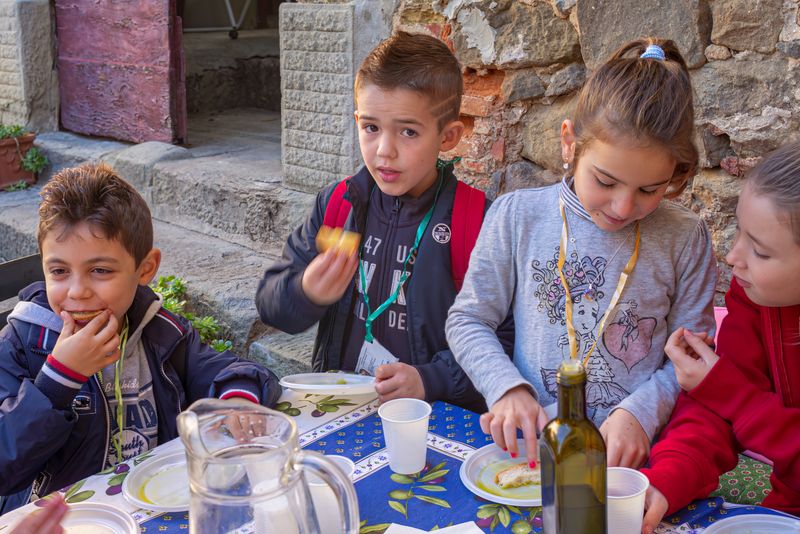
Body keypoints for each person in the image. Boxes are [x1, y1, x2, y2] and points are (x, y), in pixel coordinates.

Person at [446, 38, 717, 469]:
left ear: (676, 173)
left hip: (629, 462)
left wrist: (639, 413)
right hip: (532, 451)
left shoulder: (686, 236)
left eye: (650, 189)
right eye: (606, 182)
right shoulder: (518, 216)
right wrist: (507, 388)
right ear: (570, 143)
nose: (624, 207)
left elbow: (693, 356)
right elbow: (468, 319)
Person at [0, 163, 281, 514]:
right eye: (59, 271)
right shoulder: (22, 345)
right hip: (59, 519)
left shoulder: (160, 332)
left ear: (145, 269)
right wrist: (60, 379)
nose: (77, 291)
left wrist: (237, 400)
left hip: (151, 509)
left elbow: (233, 371)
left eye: (100, 270)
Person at [256, 31, 512, 412]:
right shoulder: (338, 205)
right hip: (344, 410)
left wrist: (430, 378)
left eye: (408, 131)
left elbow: (505, 341)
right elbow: (270, 304)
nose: (384, 151)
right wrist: (306, 291)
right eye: (371, 128)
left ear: (449, 136)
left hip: (430, 419)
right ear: (357, 120)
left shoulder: (476, 223)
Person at [641, 142, 800, 531]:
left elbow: (730, 398)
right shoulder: (755, 298)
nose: (733, 257)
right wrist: (666, 480)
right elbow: (713, 412)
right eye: (740, 232)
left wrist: (730, 394)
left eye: (760, 252)